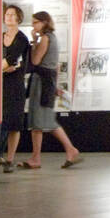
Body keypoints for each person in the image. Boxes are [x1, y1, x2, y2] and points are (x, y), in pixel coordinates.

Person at [25, 11, 82, 169]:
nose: (33, 25)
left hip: (41, 82)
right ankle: (36, 157)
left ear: (44, 22)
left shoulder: (45, 38)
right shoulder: (54, 38)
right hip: (47, 82)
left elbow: (35, 60)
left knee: (43, 120)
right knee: (40, 122)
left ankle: (70, 149)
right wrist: (55, 85)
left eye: (36, 22)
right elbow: (56, 65)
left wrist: (34, 42)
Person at [0, 5, 30, 172]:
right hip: (0, 85)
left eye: (12, 15)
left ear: (19, 18)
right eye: (7, 14)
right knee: (1, 121)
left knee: (14, 123)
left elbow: (11, 60)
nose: (9, 17)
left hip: (15, 85)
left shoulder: (21, 39)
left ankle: (10, 159)